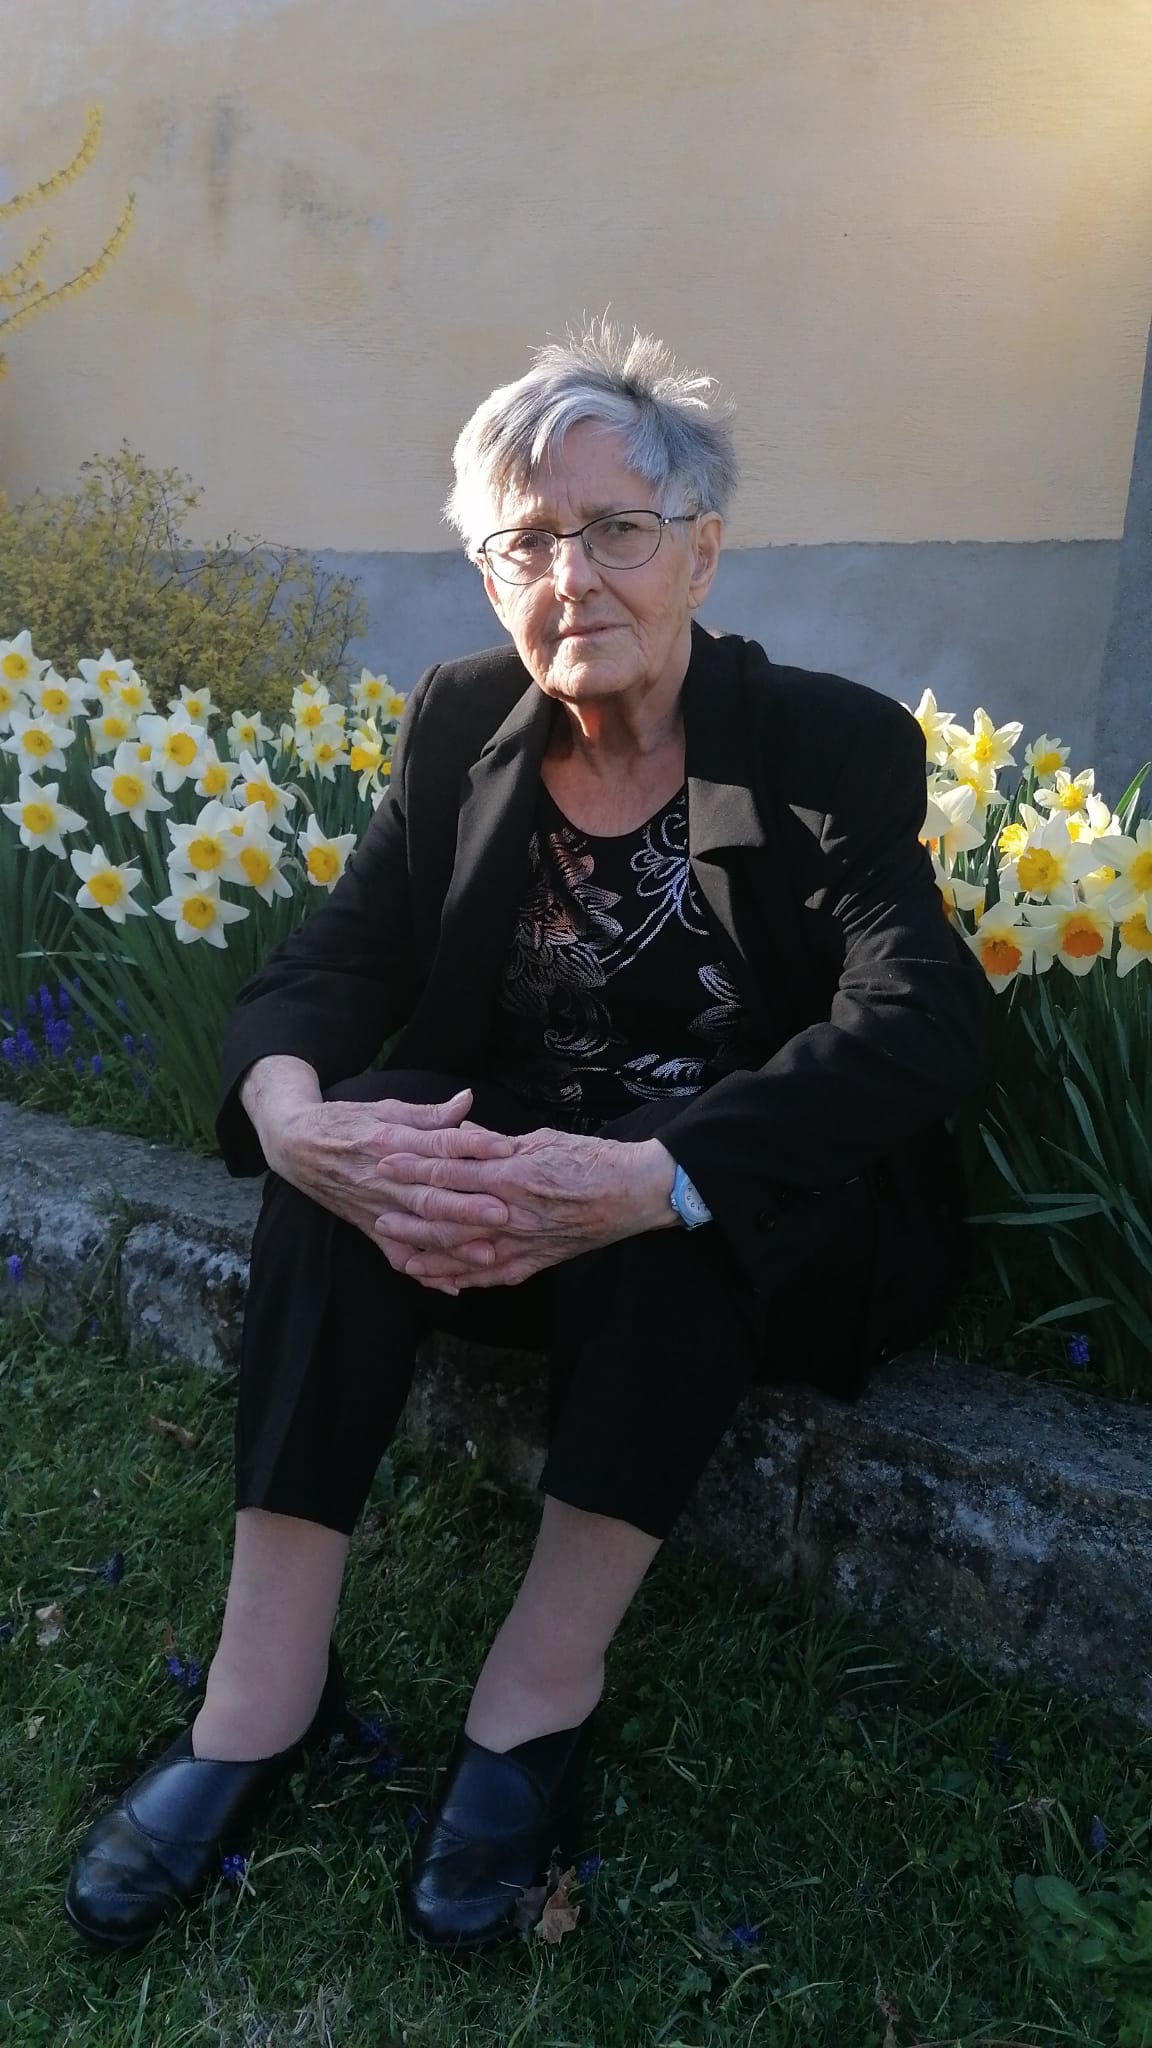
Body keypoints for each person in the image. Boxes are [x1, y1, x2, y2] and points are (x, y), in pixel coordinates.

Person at [65, 321, 989, 1955]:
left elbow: (921, 1017)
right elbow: (336, 961)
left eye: (617, 529)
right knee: (353, 1150)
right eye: (528, 543)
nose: (574, 575)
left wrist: (645, 1177)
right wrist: (292, 1118)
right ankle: (257, 1699)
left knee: (682, 1186)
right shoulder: (464, 720)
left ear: (701, 550)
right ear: (491, 579)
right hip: (513, 1199)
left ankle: (533, 1703)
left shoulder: (821, 745)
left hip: (747, 1232)